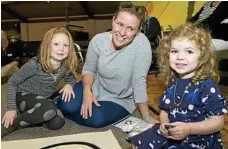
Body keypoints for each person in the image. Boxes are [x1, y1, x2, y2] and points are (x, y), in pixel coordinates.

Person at [57, 2, 159, 128]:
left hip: (120, 99)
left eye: (130, 29)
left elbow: (139, 80)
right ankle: (66, 111)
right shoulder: (98, 41)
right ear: (113, 20)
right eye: (120, 24)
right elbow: (89, 69)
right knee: (65, 104)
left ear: (137, 32)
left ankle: (66, 115)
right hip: (95, 86)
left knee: (94, 118)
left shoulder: (141, 44)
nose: (122, 32)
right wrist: (87, 91)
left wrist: (147, 116)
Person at [127, 23, 227, 149]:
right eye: (174, 51)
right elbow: (165, 111)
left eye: (189, 51)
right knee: (138, 144)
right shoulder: (172, 81)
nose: (180, 57)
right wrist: (164, 124)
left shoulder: (207, 86)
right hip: (171, 132)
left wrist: (189, 129)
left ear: (202, 56)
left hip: (198, 138)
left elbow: (218, 123)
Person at [1, 27, 78, 138]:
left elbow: (71, 78)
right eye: (56, 44)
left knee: (58, 122)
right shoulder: (35, 64)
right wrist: (11, 109)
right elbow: (12, 82)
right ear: (47, 45)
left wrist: (69, 84)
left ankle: (34, 116)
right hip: (23, 96)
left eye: (65, 45)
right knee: (49, 109)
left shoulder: (64, 66)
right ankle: (12, 125)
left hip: (43, 99)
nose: (61, 48)